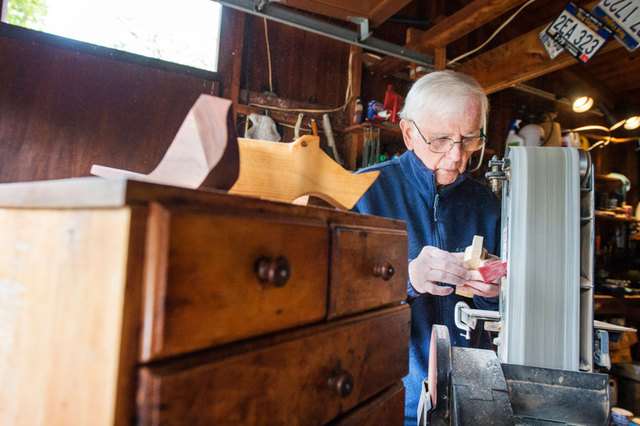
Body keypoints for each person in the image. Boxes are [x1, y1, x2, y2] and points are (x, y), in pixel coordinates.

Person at [351, 70, 502, 425]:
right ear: (408, 133)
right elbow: (330, 301)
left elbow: (501, 317)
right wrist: (405, 279)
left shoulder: (488, 206)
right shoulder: (362, 194)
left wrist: (493, 293)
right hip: (387, 399)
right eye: (440, 139)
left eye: (469, 140)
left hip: (472, 404)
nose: (455, 156)